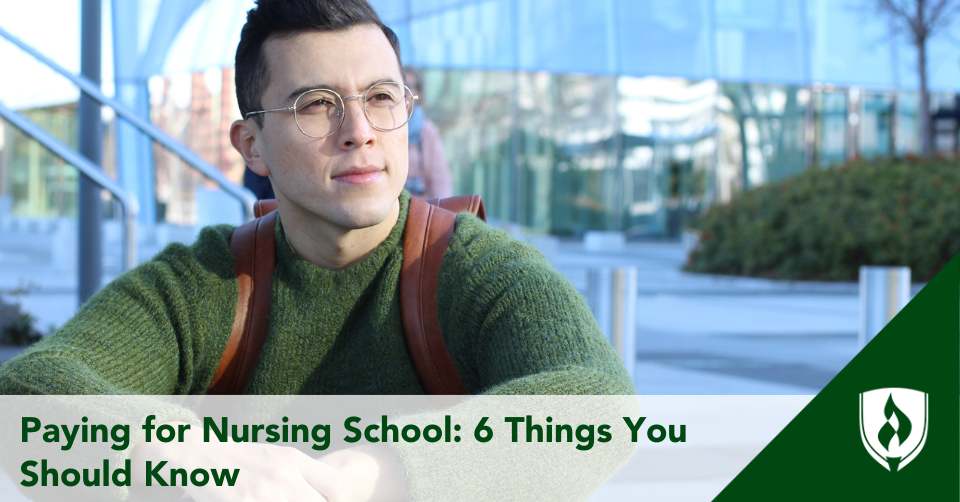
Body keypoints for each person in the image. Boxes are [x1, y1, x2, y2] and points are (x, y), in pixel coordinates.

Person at [0, 0, 634, 500]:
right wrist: (200, 462)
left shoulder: (475, 266)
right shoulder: (206, 282)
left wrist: (371, 476)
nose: (359, 133)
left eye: (382, 98)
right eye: (316, 105)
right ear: (252, 146)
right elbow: (25, 398)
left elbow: (599, 405)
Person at [403, 67, 452, 199]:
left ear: (419, 95)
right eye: (398, 86)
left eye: (407, 87)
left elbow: (440, 180)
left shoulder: (427, 131)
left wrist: (444, 214)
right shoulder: (382, 128)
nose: (403, 92)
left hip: (419, 212)